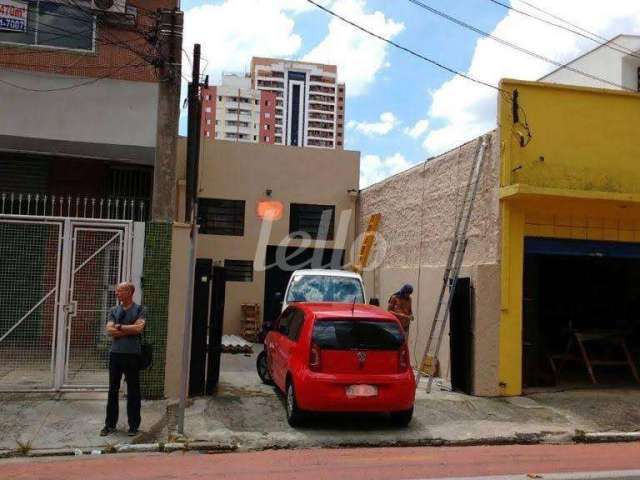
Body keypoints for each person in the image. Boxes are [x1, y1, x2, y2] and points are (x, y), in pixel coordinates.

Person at [101, 282, 146, 437]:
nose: (117, 293)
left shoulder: (140, 309)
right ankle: (109, 424)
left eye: (120, 291)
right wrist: (129, 329)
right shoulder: (114, 310)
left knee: (134, 390)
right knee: (112, 390)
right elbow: (109, 330)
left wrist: (119, 327)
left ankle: (133, 425)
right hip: (116, 354)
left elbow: (139, 328)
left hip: (133, 355)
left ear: (130, 292)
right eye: (117, 291)